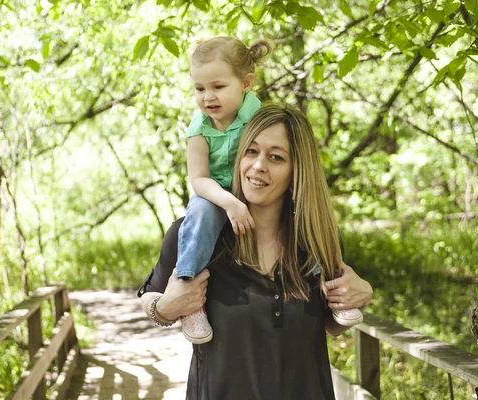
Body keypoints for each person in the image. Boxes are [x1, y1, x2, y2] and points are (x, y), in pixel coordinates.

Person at [138, 103, 373, 399]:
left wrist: (362, 295)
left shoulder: (316, 241)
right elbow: (148, 295)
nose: (258, 165)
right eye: (251, 151)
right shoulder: (196, 237)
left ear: (296, 170)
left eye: (276, 157)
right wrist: (164, 308)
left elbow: (328, 325)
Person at [176, 36, 361, 345]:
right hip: (217, 194)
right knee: (200, 212)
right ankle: (190, 296)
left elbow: (277, 153)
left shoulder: (258, 118)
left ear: (246, 83)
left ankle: (333, 281)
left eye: (218, 87)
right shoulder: (199, 128)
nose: (208, 97)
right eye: (199, 89)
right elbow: (198, 179)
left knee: (301, 209)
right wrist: (229, 202)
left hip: (257, 192)